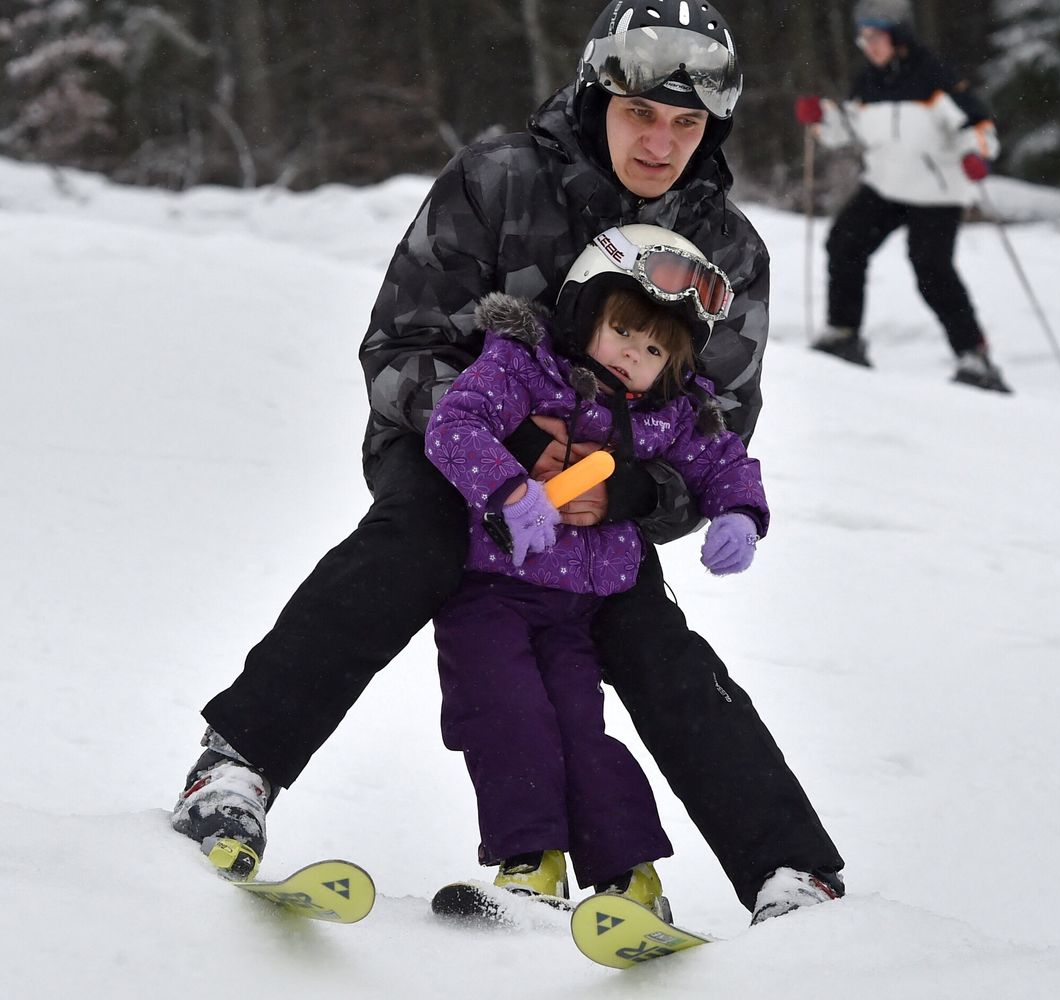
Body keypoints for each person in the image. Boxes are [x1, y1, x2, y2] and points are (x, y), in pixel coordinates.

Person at [171, 0, 845, 924]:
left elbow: (720, 421)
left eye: (686, 124)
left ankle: (792, 873)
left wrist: (637, 492)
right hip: (452, 449)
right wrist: (509, 447)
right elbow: (400, 345)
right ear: (598, 96)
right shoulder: (498, 181)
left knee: (650, 639)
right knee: (410, 549)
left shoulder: (726, 252)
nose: (661, 144)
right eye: (641, 114)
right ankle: (233, 770)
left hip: (596, 499)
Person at [428, 224, 769, 922]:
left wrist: (739, 513)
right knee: (506, 715)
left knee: (581, 734)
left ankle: (630, 877)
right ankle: (533, 862)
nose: (634, 354)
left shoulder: (668, 411)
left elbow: (722, 460)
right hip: (490, 592)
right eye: (623, 331)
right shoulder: (523, 367)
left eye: (654, 350)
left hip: (577, 612)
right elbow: (454, 424)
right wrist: (508, 490)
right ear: (585, 309)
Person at [796, 0, 1011, 393]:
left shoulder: (933, 77)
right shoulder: (867, 83)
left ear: (898, 37)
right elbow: (847, 131)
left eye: (876, 37)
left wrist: (976, 154)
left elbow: (977, 126)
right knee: (845, 241)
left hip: (937, 192)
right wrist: (822, 118)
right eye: (864, 38)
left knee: (931, 267)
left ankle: (974, 357)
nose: (869, 45)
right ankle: (843, 335)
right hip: (887, 185)